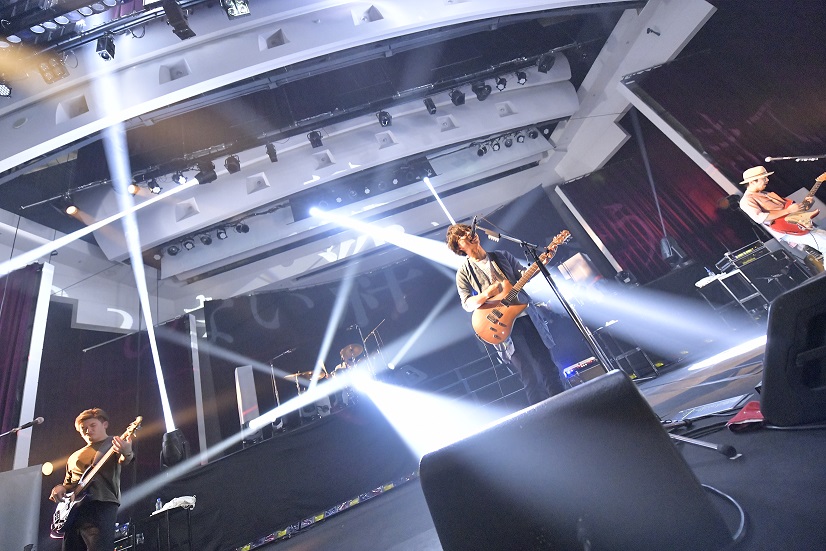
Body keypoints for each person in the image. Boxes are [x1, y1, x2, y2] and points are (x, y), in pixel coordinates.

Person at [446, 223, 565, 405]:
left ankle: (566, 405)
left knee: (548, 366)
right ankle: (544, 415)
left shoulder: (501, 256)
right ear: (459, 247)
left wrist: (544, 261)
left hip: (527, 316)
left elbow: (524, 275)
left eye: (468, 230)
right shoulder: (464, 272)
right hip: (504, 326)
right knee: (530, 375)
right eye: (462, 235)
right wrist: (487, 294)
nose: (469, 233)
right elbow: (467, 304)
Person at [49, 408, 134, 551]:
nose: (88, 430)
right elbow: (68, 484)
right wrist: (59, 488)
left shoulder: (113, 443)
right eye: (83, 428)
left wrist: (127, 452)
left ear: (105, 424)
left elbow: (125, 460)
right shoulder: (74, 456)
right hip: (73, 513)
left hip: (100, 504)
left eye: (92, 425)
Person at [739, 165, 826, 255]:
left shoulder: (767, 193)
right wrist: (788, 211)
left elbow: (791, 209)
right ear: (752, 182)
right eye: (764, 178)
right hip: (787, 229)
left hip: (798, 224)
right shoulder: (746, 200)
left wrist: (807, 204)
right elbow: (759, 217)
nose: (767, 180)